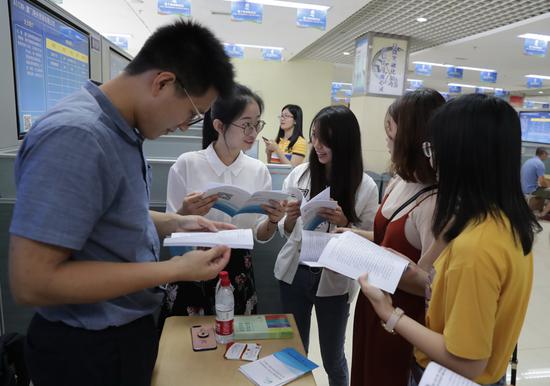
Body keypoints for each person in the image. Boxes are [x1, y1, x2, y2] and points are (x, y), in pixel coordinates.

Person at [9, 20, 235, 386]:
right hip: (86, 351)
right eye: (192, 114)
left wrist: (177, 222)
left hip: (119, 338)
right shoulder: (77, 136)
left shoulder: (120, 132)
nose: (184, 127)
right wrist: (175, 269)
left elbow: (102, 215)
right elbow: (33, 280)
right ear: (162, 82)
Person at [359, 94, 540, 386]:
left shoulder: (476, 247)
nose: (431, 159)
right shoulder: (504, 223)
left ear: (460, 156)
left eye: (434, 149)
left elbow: (468, 362)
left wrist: (390, 314)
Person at [161, 84, 285, 322]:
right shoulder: (186, 164)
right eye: (245, 123)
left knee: (234, 341)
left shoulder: (258, 170)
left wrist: (272, 220)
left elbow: (260, 234)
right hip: (192, 265)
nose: (253, 132)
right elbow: (169, 228)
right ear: (219, 125)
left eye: (257, 123)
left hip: (238, 268)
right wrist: (185, 212)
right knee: (187, 343)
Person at [275, 105, 379, 386]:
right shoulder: (299, 174)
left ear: (345, 141)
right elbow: (284, 230)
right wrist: (289, 219)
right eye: (315, 137)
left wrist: (347, 221)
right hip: (294, 273)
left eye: (326, 139)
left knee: (333, 357)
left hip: (334, 280)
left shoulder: (365, 186)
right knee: (294, 353)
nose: (317, 146)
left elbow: (372, 239)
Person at [348, 89, 446, 386]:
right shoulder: (400, 181)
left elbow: (432, 284)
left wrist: (379, 262)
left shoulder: (435, 203)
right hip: (374, 302)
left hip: (401, 317)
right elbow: (386, 239)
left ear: (411, 138)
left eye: (390, 131)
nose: (387, 140)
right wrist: (352, 236)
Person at [521, 147, 550, 220]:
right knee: (547, 190)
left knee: (544, 190)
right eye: (547, 154)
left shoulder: (529, 161)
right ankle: (542, 214)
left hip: (523, 187)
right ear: (543, 154)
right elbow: (542, 182)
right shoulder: (540, 164)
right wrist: (548, 186)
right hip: (531, 190)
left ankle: (539, 209)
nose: (547, 156)